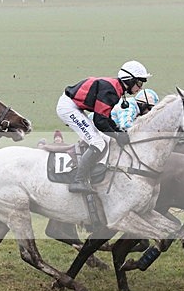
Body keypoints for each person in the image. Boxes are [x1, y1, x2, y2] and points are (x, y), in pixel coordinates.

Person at [55, 60, 151, 193]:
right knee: (98, 142)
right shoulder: (111, 91)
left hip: (74, 106)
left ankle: (89, 171)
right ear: (129, 80)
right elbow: (100, 121)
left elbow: (105, 117)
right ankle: (78, 180)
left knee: (103, 140)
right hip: (68, 108)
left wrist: (118, 131)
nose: (140, 88)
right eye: (139, 83)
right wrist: (117, 135)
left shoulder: (115, 88)